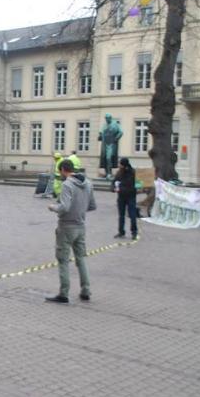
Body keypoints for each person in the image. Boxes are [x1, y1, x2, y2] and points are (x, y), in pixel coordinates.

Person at [46, 159, 96, 303]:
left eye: (59, 172)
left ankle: (64, 293)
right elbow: (92, 206)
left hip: (66, 226)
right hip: (81, 226)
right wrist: (80, 209)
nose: (60, 174)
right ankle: (86, 290)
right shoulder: (88, 183)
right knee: (81, 259)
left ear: (63, 170)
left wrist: (53, 207)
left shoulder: (67, 184)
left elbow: (64, 207)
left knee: (63, 260)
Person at [113, 157, 138, 240]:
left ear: (123, 165)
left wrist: (119, 187)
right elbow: (114, 182)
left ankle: (134, 232)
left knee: (132, 215)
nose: (119, 165)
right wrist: (113, 187)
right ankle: (121, 231)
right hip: (122, 197)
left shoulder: (132, 173)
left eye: (120, 164)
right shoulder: (119, 173)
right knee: (121, 215)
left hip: (130, 196)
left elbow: (137, 184)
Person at [98, 113, 123, 179]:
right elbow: (102, 134)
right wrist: (100, 136)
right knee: (104, 158)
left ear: (110, 118)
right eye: (106, 118)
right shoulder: (104, 125)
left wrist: (116, 138)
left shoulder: (115, 124)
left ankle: (109, 173)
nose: (107, 119)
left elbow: (121, 132)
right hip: (104, 144)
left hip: (111, 144)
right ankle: (107, 173)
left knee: (109, 158)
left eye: (108, 118)